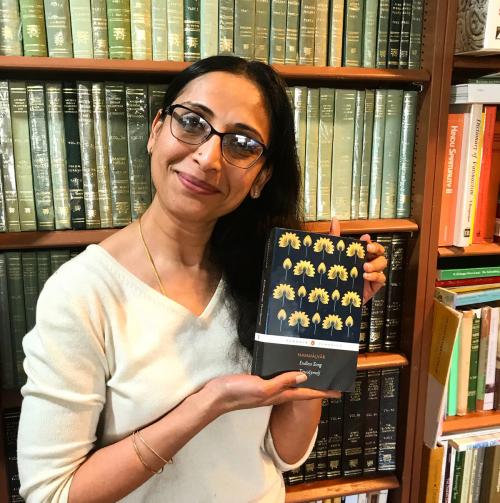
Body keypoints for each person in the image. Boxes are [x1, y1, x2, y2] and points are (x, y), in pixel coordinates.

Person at [17, 55, 387, 503]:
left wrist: (321, 330)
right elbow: (50, 495)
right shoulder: (82, 293)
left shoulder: (265, 276)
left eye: (243, 144)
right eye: (192, 122)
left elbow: (285, 454)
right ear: (156, 131)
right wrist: (210, 403)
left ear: (261, 177)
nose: (208, 157)